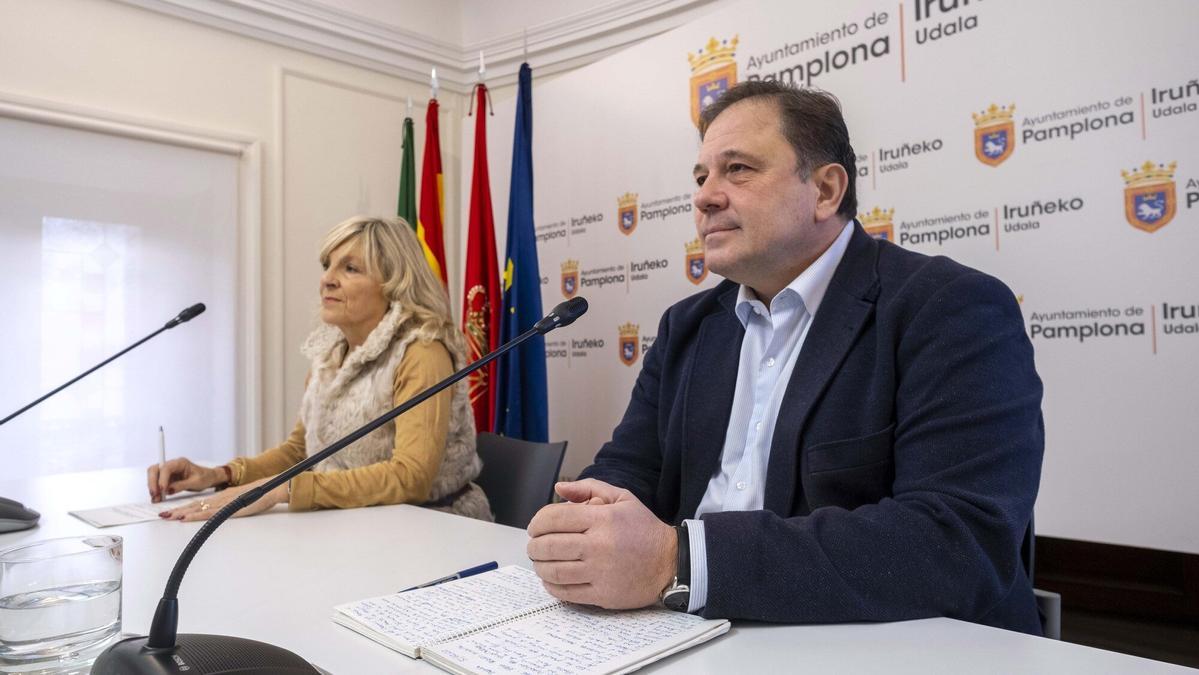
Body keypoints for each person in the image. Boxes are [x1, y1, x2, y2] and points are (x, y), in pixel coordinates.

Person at [526, 81, 1045, 634]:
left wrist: (678, 561)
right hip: (691, 632)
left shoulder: (948, 306)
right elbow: (630, 468)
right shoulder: (688, 325)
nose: (704, 196)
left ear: (825, 190)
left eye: (739, 170)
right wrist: (584, 521)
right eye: (701, 177)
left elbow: (957, 540)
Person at [149, 216, 491, 522]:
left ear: (394, 283)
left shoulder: (422, 352)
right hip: (352, 524)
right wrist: (218, 475)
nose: (327, 279)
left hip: (433, 527)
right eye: (327, 265)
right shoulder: (328, 353)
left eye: (350, 268)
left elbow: (411, 477)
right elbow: (300, 452)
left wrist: (286, 490)